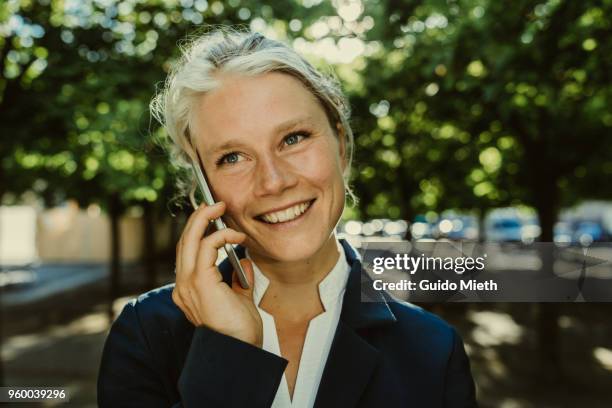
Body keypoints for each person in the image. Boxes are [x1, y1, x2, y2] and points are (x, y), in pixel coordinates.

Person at [97, 28, 477, 408]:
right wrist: (226, 354)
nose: (273, 182)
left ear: (341, 148)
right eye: (232, 157)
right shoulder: (146, 334)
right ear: (204, 190)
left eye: (293, 138)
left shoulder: (433, 350)